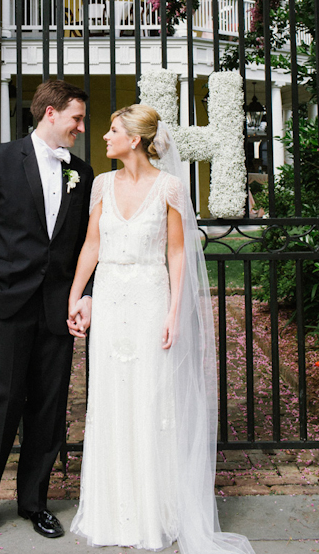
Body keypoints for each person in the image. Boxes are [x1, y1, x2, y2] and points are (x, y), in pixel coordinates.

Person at [68, 105, 254, 554]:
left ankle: (157, 509)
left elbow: (177, 255)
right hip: (111, 300)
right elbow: (92, 244)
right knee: (112, 396)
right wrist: (76, 296)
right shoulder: (100, 185)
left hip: (151, 300)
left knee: (154, 398)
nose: (105, 137)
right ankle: (113, 509)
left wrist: (174, 312)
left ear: (134, 139)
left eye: (112, 131)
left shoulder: (170, 187)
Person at [0, 79, 94, 546]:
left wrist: (84, 295)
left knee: (49, 409)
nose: (81, 126)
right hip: (8, 305)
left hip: (57, 310)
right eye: (76, 117)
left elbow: (84, 248)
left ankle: (34, 502)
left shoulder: (83, 172)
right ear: (50, 114)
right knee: (2, 404)